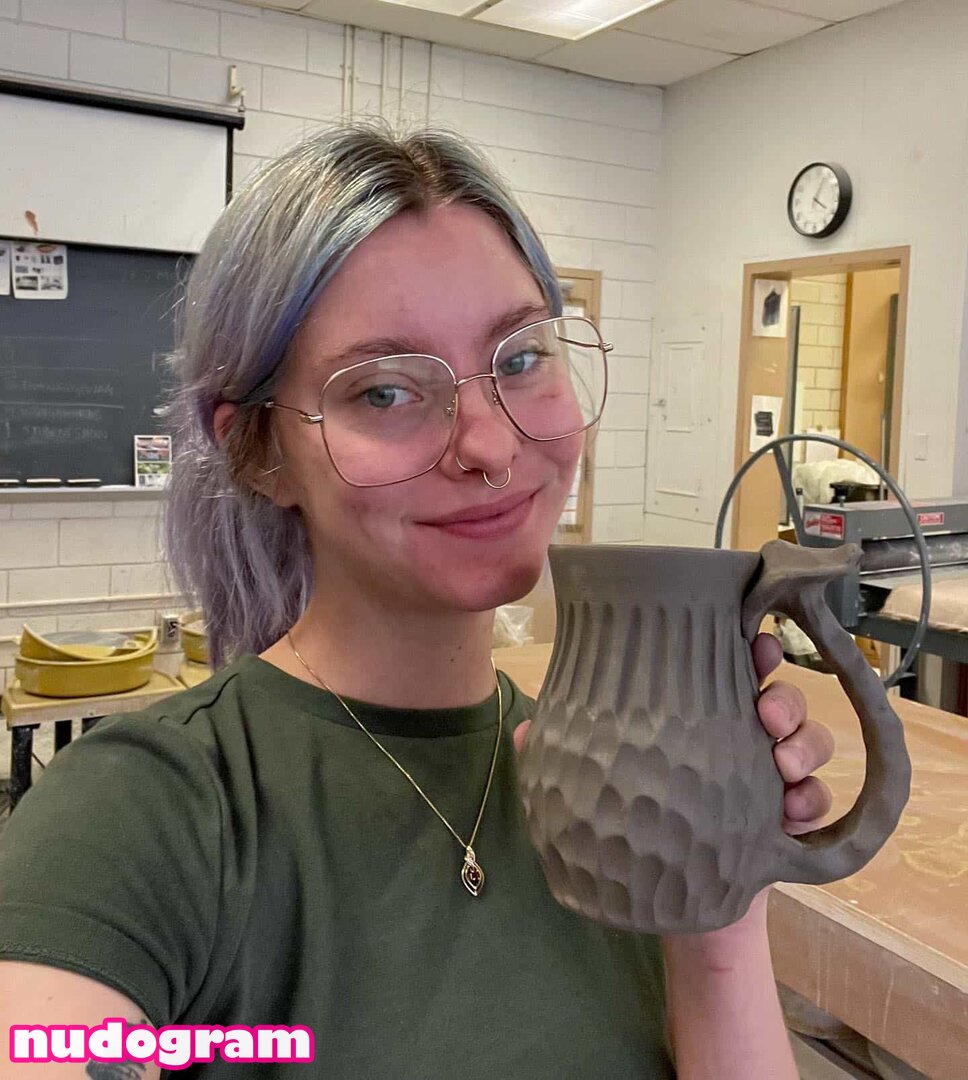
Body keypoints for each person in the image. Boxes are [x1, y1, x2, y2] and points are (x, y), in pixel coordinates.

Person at [0, 122, 834, 1078]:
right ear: (260, 451)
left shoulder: (617, 794)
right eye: (385, 393)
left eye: (520, 358)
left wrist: (717, 902)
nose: (488, 444)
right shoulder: (150, 810)